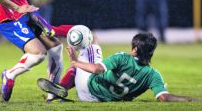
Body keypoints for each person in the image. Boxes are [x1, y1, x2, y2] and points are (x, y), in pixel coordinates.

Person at [38, 32, 199, 102]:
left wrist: (75, 61)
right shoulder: (153, 75)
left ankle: (59, 90)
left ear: (135, 49)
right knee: (85, 64)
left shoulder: (122, 57)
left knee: (93, 39)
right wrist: (191, 99)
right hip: (99, 100)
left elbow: (96, 69)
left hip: (87, 87)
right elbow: (164, 97)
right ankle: (61, 88)